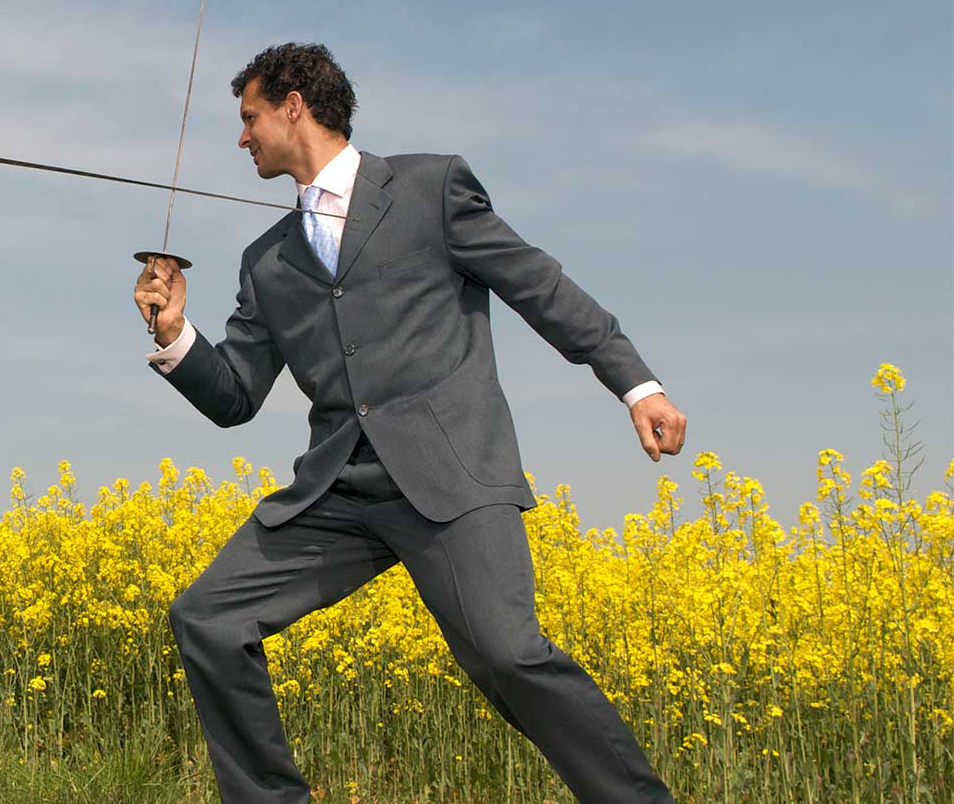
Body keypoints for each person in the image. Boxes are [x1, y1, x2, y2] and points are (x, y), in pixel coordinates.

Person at [133, 43, 685, 804]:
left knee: (509, 655)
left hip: (451, 477)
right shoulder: (267, 261)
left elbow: (540, 287)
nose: (242, 137)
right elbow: (236, 397)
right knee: (207, 618)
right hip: (337, 494)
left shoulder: (430, 189)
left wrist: (637, 386)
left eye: (249, 117)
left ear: (294, 105)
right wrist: (174, 334)